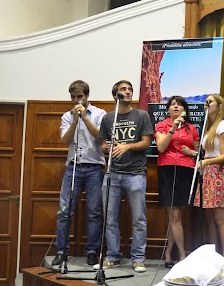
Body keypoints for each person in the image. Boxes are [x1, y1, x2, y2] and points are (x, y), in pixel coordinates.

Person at [97, 80, 154, 273]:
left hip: (135, 174)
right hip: (112, 173)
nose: (128, 92)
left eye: (130, 89)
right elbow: (102, 144)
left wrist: (127, 146)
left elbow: (146, 143)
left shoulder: (141, 115)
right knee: (110, 218)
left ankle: (138, 258)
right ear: (116, 95)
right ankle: (113, 256)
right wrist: (108, 147)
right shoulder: (108, 118)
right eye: (123, 90)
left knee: (139, 218)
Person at [53, 80, 105, 267]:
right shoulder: (67, 116)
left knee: (94, 212)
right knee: (65, 212)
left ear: (87, 96)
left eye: (80, 97)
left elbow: (101, 136)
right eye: (73, 97)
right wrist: (75, 120)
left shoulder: (100, 114)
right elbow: (66, 140)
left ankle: (92, 251)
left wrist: (85, 118)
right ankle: (61, 251)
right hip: (73, 167)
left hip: (94, 169)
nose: (77, 101)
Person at [154, 95, 200, 267]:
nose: (175, 107)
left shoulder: (191, 128)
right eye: (172, 105)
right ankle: (182, 255)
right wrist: (172, 128)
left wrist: (191, 153)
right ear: (168, 110)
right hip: (167, 169)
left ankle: (168, 252)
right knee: (174, 215)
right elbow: (161, 147)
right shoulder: (162, 125)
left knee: (177, 216)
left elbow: (197, 153)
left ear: (184, 110)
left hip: (186, 170)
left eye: (179, 105)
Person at [193, 95, 224, 260]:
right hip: (207, 172)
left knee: (220, 218)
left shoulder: (223, 125)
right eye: (206, 101)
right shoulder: (207, 127)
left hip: (218, 172)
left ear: (219, 105)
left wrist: (205, 163)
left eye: (210, 101)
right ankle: (213, 257)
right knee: (209, 218)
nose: (207, 104)